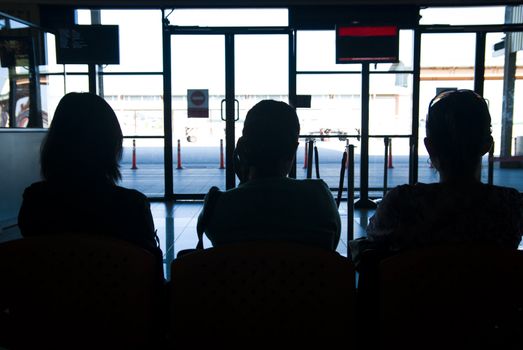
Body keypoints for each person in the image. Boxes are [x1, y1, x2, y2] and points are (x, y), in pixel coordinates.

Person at [350, 89, 523, 264]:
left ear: (429, 147)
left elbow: (372, 248)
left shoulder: (402, 204)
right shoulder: (509, 206)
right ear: (487, 145)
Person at [18, 92, 164, 277]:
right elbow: (152, 278)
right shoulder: (130, 206)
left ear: (55, 144)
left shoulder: (35, 201)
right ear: (111, 145)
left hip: (49, 303)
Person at [197, 99, 341, 251]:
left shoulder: (216, 207)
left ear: (244, 148)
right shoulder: (320, 198)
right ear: (293, 150)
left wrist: (246, 182)